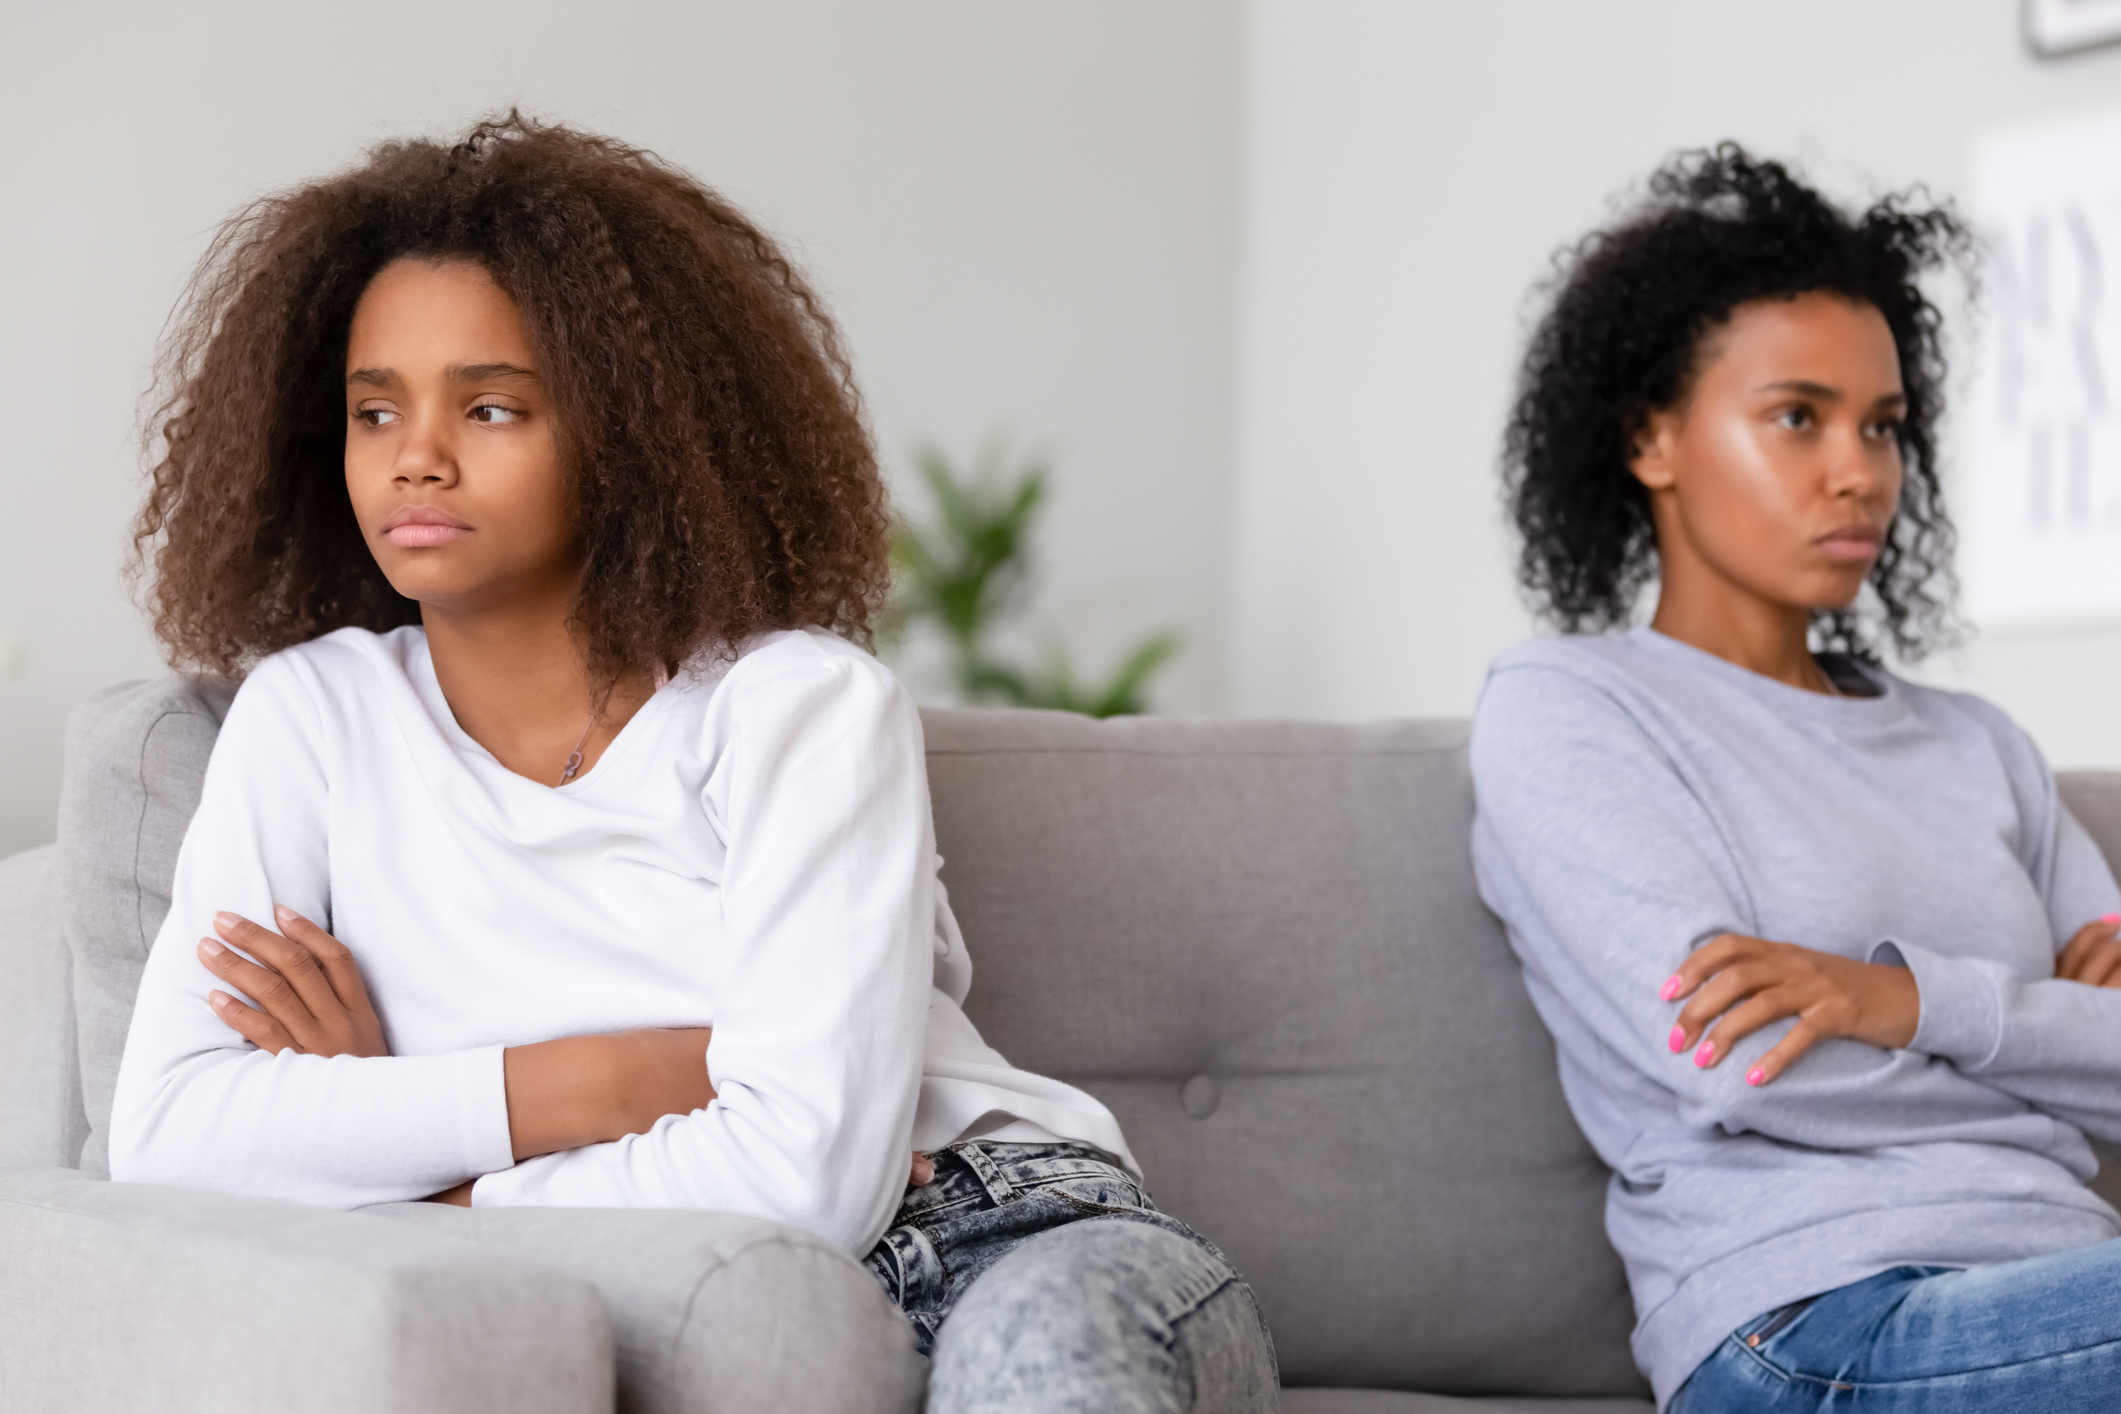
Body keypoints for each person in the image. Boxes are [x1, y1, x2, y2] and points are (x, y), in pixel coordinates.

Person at [108, 113, 1276, 1413]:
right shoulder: (306, 720)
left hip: (1007, 1233)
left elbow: (807, 1174)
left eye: (491, 406)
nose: (416, 455)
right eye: (374, 409)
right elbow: (168, 1140)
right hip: (661, 1289)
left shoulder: (799, 706)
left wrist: (422, 1169)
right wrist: (605, 1078)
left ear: (630, 436)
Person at [1470, 146, 2121, 1413]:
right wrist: (2039, 1018)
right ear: (1653, 436)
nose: (1860, 472)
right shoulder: (1572, 709)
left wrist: (1897, 999)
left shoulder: (1978, 741)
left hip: (2063, 1281)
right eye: (1798, 416)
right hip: (1808, 1322)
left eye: (1883, 426)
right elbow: (1741, 1057)